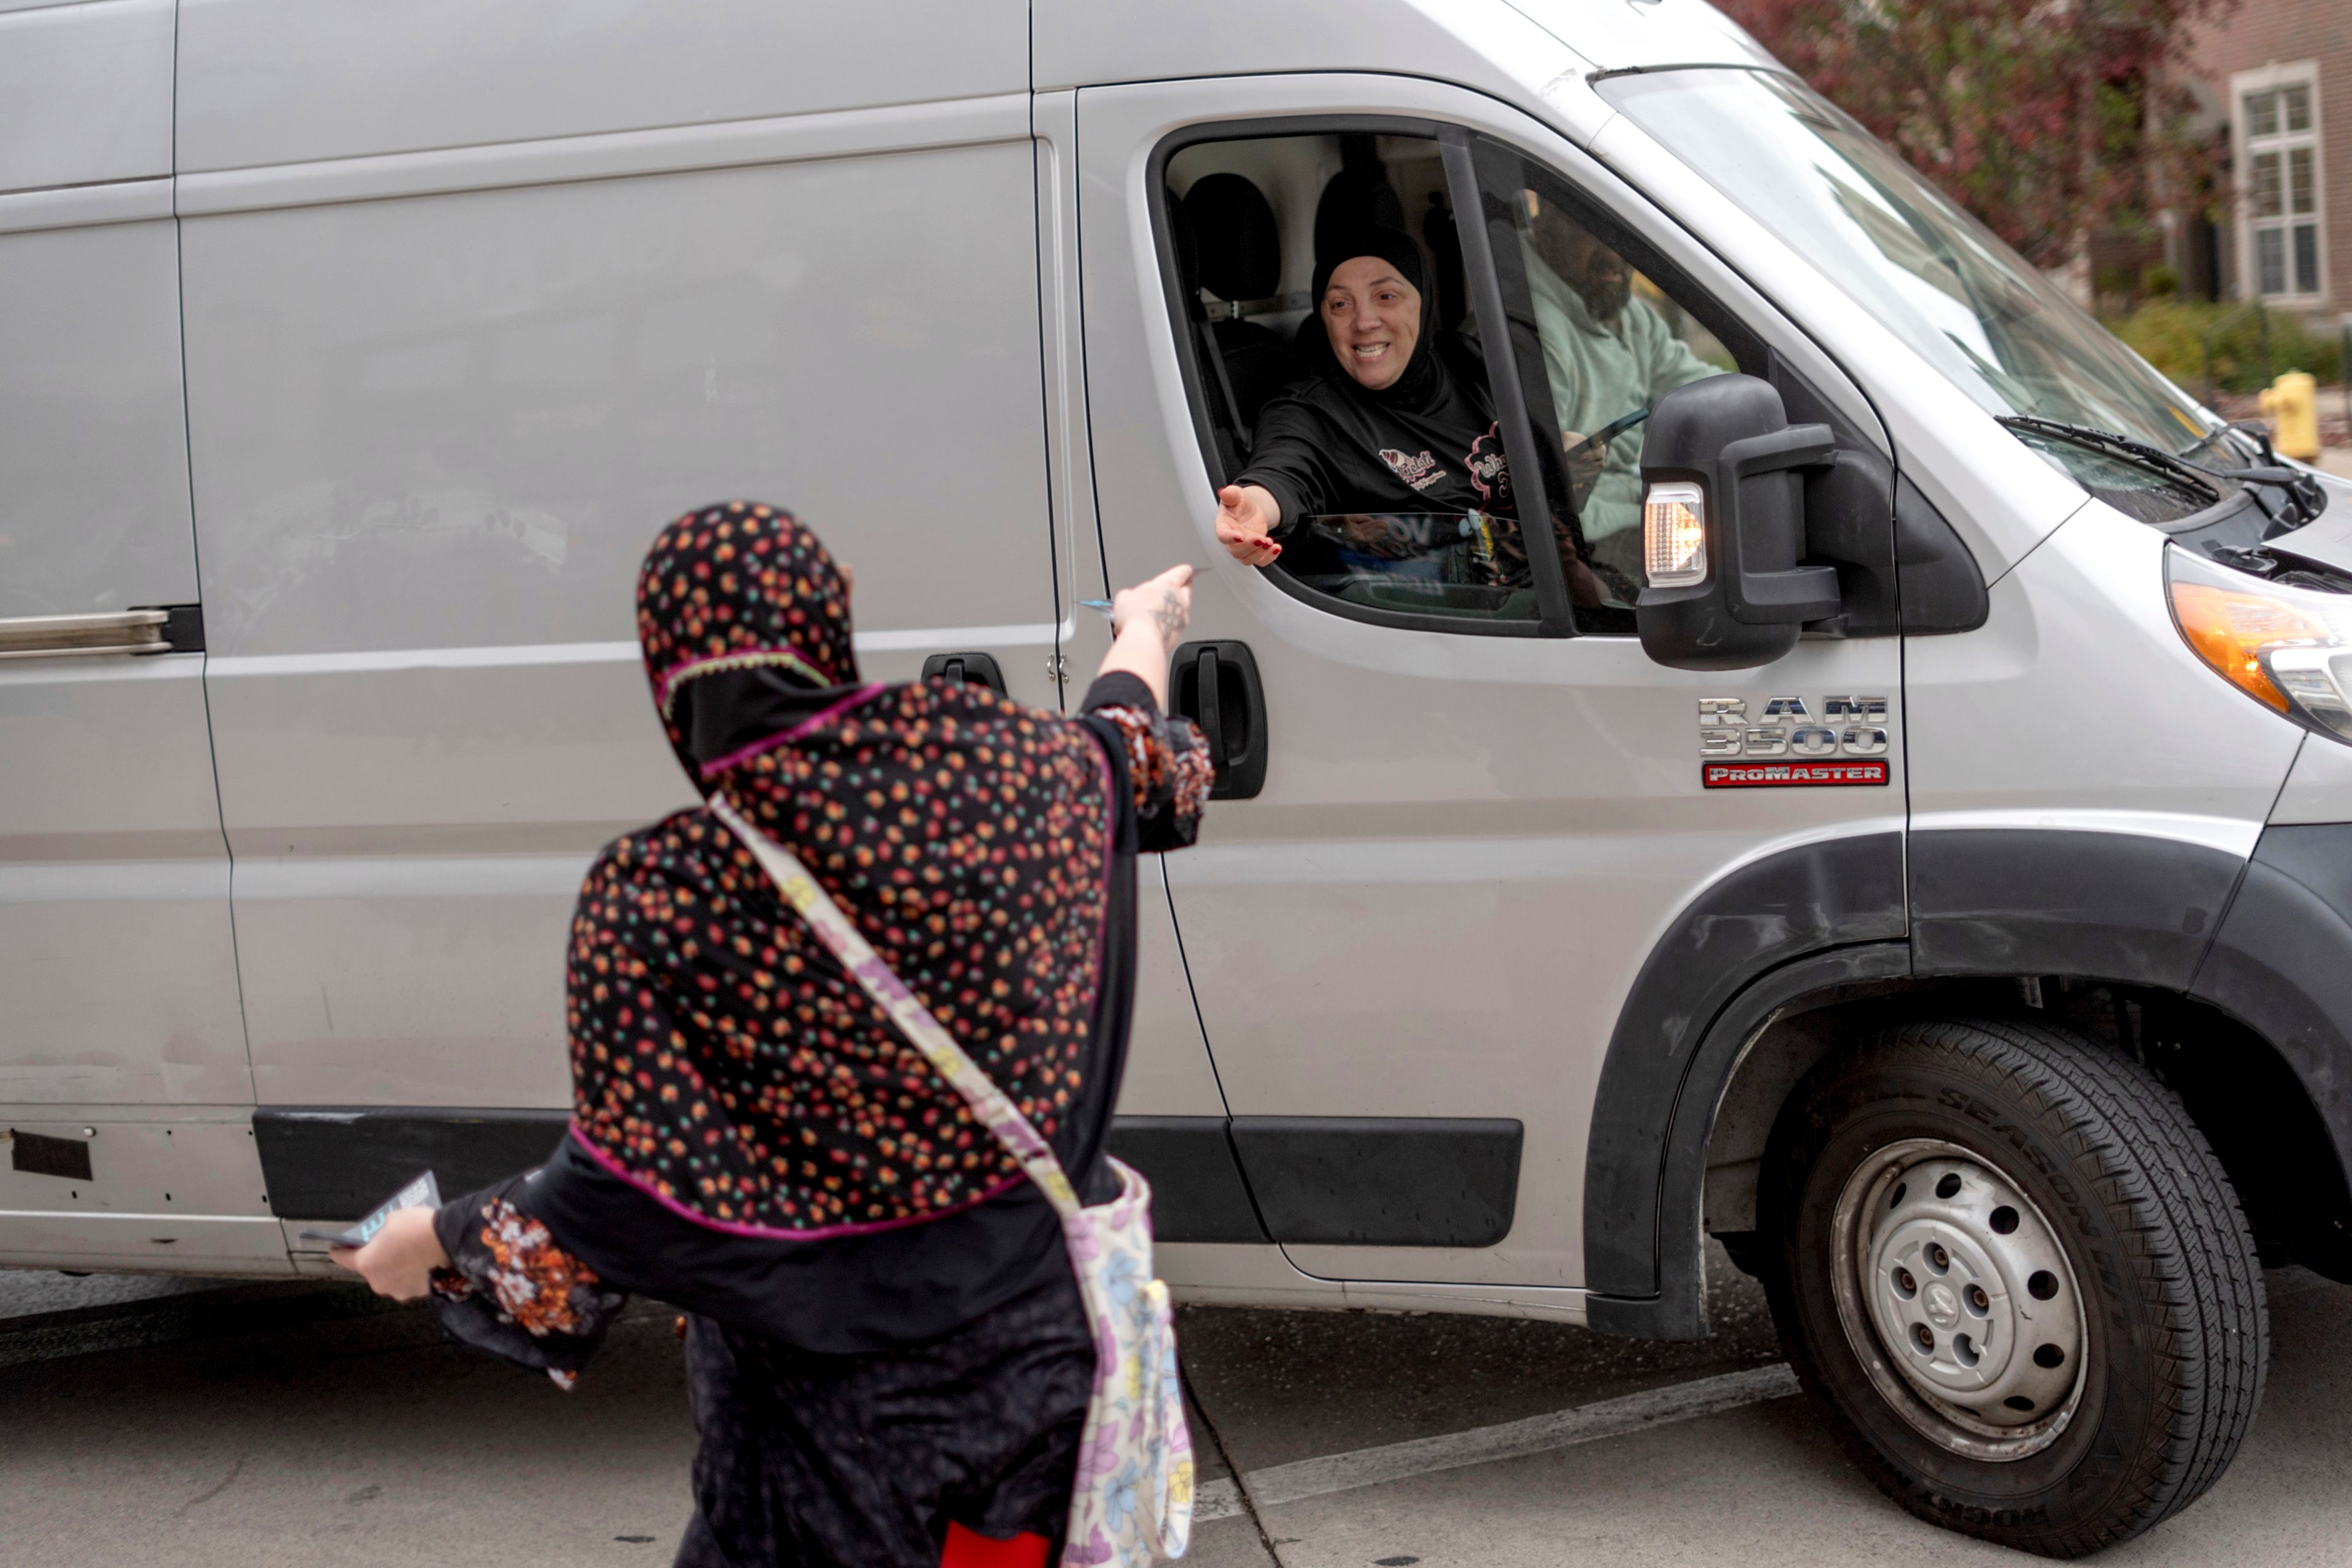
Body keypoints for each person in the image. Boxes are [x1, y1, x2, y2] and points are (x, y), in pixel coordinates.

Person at [333, 501, 1210, 1568]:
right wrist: (1147, 626)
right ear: (828, 622)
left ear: (668, 671)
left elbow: (614, 1202)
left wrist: (420, 1246)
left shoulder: (658, 891)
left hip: (821, 1450)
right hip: (1033, 1399)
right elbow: (1133, 745)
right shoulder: (1035, 775)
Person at [1212, 227, 1616, 605]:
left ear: (1424, 302)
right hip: (1437, 621)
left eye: (1386, 296)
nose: (1364, 322)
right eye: (1340, 304)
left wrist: (1558, 458)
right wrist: (1256, 507)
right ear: (1324, 319)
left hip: (1544, 589)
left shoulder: (1466, 361)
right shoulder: (1309, 412)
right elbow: (1282, 470)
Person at [1521, 195, 1722, 584]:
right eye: (1591, 233)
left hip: (1635, 500)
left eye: (1622, 236)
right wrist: (1649, 509)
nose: (1613, 254)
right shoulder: (1531, 334)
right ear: (1546, 228)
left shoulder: (1626, 314)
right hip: (1587, 543)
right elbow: (1554, 509)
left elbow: (1698, 384)